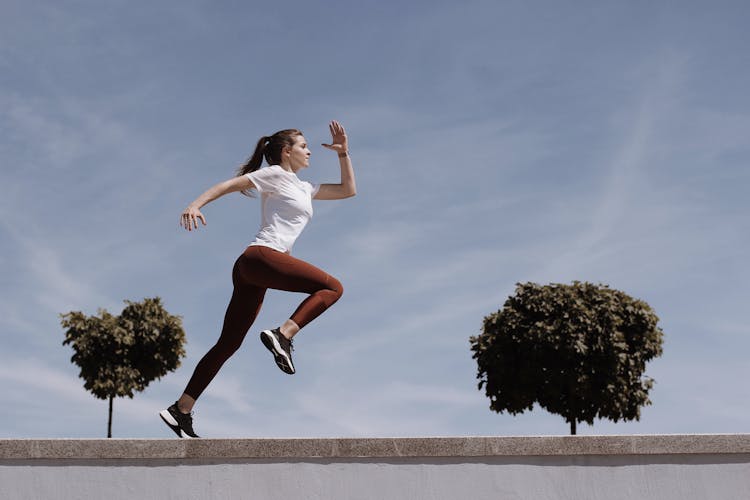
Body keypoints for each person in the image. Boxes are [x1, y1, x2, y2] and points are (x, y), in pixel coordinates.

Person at [160, 120, 356, 438]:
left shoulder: (305, 188)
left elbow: (348, 190)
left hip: (253, 271)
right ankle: (284, 334)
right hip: (260, 257)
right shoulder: (274, 174)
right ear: (286, 151)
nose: (309, 151)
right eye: (304, 146)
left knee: (229, 343)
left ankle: (180, 409)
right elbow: (228, 185)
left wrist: (343, 154)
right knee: (333, 287)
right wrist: (194, 205)